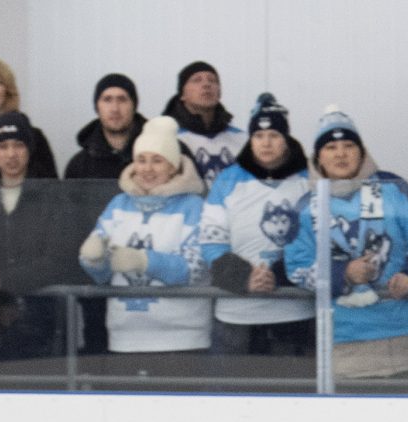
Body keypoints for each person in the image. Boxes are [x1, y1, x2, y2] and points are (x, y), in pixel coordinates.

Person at [283, 107, 408, 382]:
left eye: (349, 145)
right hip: (350, 345)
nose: (341, 154)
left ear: (362, 152)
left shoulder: (393, 187)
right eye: (331, 147)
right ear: (318, 157)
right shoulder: (305, 207)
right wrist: (344, 273)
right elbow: (297, 268)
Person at [78, 116, 209, 363]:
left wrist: (144, 260)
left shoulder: (194, 206)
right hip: (124, 337)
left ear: (173, 166)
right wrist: (94, 260)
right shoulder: (118, 204)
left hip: (182, 339)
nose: (147, 169)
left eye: (157, 160)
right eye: (141, 160)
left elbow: (195, 268)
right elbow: (101, 275)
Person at [200, 93, 313, 359]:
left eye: (274, 135)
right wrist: (244, 277)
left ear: (286, 139)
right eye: (259, 136)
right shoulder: (227, 181)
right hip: (236, 316)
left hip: (295, 312)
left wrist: (278, 276)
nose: (266, 143)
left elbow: (317, 241)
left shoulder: (308, 178)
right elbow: (210, 243)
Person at [0, 113, 71, 365]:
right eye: (3, 146)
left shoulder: (53, 196)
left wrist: (3, 280)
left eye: (18, 145)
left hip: (41, 320)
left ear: (29, 149)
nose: (11, 154)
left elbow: (58, 260)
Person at [61, 74, 146, 356]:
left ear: (134, 105)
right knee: (100, 358)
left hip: (148, 278)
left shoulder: (155, 156)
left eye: (122, 99)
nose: (115, 107)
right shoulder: (79, 165)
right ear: (97, 106)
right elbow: (70, 226)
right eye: (107, 99)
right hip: (96, 282)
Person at [162, 61, 241, 189]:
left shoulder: (242, 139)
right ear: (182, 94)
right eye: (197, 80)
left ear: (219, 92)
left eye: (212, 80)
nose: (206, 84)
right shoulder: (167, 138)